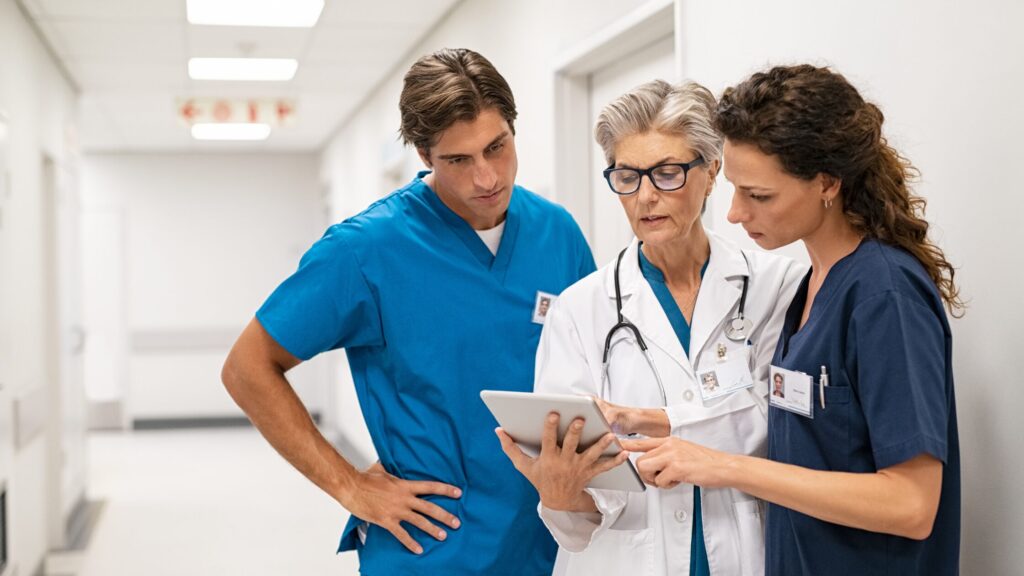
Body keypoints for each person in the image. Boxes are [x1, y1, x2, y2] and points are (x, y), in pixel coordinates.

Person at [220, 48, 595, 575]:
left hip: (553, 543)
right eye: (458, 160)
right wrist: (349, 485)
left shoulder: (558, 233)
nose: (486, 177)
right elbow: (246, 368)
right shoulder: (365, 251)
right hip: (433, 548)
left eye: (498, 147)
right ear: (424, 154)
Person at [624, 64, 962, 575]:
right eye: (734, 189)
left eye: (758, 195)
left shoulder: (883, 294)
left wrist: (725, 468)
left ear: (827, 183)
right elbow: (816, 438)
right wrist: (669, 423)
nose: (735, 214)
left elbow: (911, 505)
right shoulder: (811, 285)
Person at [496, 80, 805, 576]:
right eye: (626, 176)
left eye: (666, 174)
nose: (644, 197)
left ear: (711, 173)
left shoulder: (776, 287)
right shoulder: (579, 311)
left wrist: (658, 421)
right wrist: (559, 491)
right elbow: (576, 524)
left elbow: (780, 428)